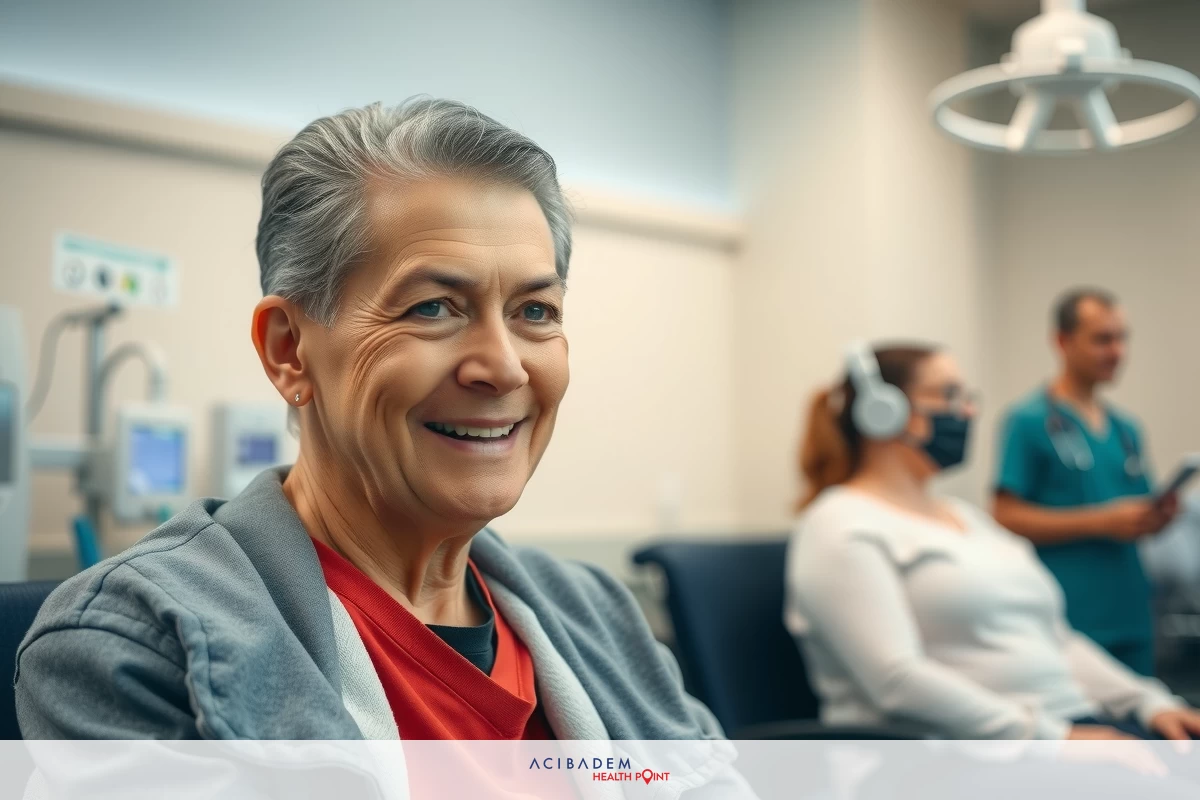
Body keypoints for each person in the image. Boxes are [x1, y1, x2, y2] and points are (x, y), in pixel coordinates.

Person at [13, 99, 751, 794]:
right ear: (289, 350)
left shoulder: (596, 616)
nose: (503, 368)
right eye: (433, 308)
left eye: (535, 311)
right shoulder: (137, 645)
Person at [784, 342, 1200, 740]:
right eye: (949, 394)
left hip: (1064, 726)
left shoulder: (968, 519)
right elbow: (895, 680)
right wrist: (1054, 739)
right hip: (961, 753)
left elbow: (1056, 640)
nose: (968, 411)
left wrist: (1148, 703)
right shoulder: (838, 525)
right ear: (883, 411)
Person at [993, 289, 1177, 676]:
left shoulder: (1125, 429)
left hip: (1131, 614)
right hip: (1069, 619)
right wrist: (1100, 522)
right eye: (1102, 339)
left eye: (1122, 338)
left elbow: (1136, 513)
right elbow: (1005, 515)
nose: (1117, 351)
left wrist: (1159, 518)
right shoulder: (1028, 422)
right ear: (1062, 341)